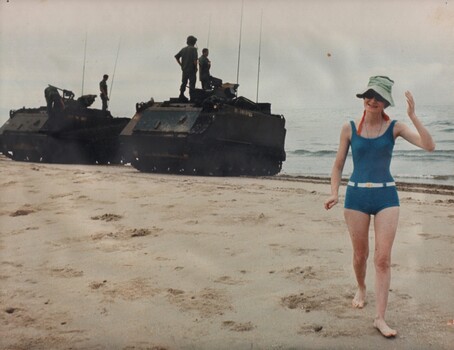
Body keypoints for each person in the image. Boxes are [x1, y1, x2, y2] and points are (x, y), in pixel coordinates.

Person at [324, 76, 435, 338]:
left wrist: (413, 116)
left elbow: (429, 146)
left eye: (378, 97)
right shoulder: (349, 128)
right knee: (360, 255)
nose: (372, 100)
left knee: (383, 259)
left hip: (387, 197)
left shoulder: (395, 127)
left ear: (386, 102)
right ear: (364, 98)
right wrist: (333, 193)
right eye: (368, 95)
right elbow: (338, 164)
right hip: (356, 198)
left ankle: (380, 318)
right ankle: (361, 287)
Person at [175, 35, 198, 102]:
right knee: (192, 83)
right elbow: (195, 61)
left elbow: (176, 57)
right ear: (193, 42)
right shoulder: (194, 49)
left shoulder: (183, 49)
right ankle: (192, 97)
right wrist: (196, 68)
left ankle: (181, 95)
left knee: (184, 82)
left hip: (184, 69)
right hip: (192, 69)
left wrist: (181, 65)